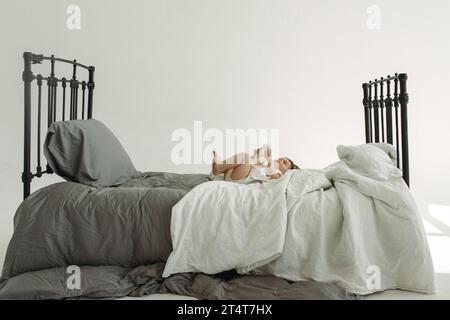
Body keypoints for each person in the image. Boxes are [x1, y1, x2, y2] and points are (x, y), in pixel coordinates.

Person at [211, 145, 299, 183]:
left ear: (287, 171)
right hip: (234, 173)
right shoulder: (265, 164)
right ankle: (221, 167)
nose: (280, 161)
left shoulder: (278, 175)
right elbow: (254, 164)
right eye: (281, 159)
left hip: (242, 178)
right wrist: (257, 154)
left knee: (244, 156)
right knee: (244, 159)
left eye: (284, 163)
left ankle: (219, 167)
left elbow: (272, 175)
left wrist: (269, 159)